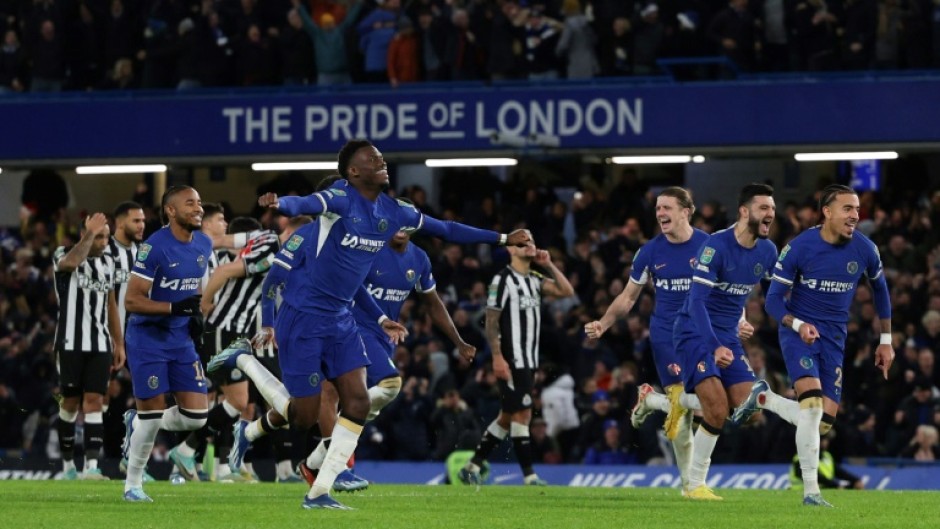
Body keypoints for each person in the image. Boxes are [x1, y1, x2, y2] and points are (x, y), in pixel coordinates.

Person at [208, 139, 530, 509]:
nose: (382, 161)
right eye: (372, 159)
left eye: (381, 157)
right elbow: (307, 205)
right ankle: (244, 361)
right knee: (302, 417)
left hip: (342, 319)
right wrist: (283, 203)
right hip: (303, 319)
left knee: (359, 401)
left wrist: (504, 238)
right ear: (353, 172)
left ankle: (319, 492)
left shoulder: (395, 212)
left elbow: (448, 229)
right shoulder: (340, 199)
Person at [237, 224, 480, 490]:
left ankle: (267, 438)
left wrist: (454, 338)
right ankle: (334, 464)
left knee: (309, 409)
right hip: (340, 328)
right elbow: (334, 286)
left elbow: (425, 300)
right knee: (384, 387)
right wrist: (269, 322)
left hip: (373, 333)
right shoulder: (354, 245)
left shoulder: (415, 257)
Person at [732, 184, 894, 507]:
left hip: (834, 339)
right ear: (827, 212)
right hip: (798, 335)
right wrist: (797, 324)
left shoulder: (865, 249)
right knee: (811, 405)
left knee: (822, 422)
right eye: (847, 209)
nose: (855, 215)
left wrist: (886, 341)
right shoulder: (799, 248)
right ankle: (811, 494)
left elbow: (881, 291)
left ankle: (764, 397)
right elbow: (773, 301)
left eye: (857, 209)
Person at [584, 187, 708, 493]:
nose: (660, 213)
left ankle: (651, 400)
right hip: (667, 335)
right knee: (682, 414)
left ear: (685, 211)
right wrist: (604, 323)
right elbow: (628, 297)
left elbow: (727, 291)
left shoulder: (709, 246)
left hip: (702, 333)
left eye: (666, 207)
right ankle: (691, 486)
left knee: (710, 404)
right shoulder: (650, 252)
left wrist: (741, 321)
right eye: (657, 208)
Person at [670, 183, 778, 500]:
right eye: (763, 208)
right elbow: (697, 303)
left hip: (728, 335)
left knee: (750, 410)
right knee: (717, 410)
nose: (770, 213)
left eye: (772, 208)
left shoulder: (768, 251)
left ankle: (679, 402)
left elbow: (778, 293)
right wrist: (715, 344)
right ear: (744, 212)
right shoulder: (716, 246)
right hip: (694, 331)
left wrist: (799, 319)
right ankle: (694, 486)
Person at [458, 232, 575, 486]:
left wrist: (548, 264)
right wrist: (497, 358)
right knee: (522, 413)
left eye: (531, 241)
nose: (529, 245)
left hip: (530, 359)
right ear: (511, 250)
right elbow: (490, 321)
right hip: (511, 358)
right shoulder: (501, 280)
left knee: (508, 415)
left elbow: (567, 291)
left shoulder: (534, 278)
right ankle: (530, 476)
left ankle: (471, 467)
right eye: (522, 243)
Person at [121, 186, 213, 502]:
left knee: (197, 416)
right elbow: (132, 300)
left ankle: (138, 420)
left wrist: (196, 313)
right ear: (170, 211)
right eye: (190, 203)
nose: (198, 208)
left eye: (200, 203)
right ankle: (133, 485)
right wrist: (174, 308)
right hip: (147, 339)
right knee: (151, 417)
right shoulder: (154, 248)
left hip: (181, 339)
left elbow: (193, 290)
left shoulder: (204, 244)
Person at [53, 213, 125, 480]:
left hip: (99, 344)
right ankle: (68, 466)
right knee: (70, 403)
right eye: (99, 236)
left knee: (94, 400)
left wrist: (119, 343)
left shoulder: (109, 262)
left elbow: (111, 304)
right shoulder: (63, 253)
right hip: (70, 342)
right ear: (86, 235)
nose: (104, 242)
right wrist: (89, 234)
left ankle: (92, 468)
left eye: (106, 236)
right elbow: (70, 263)